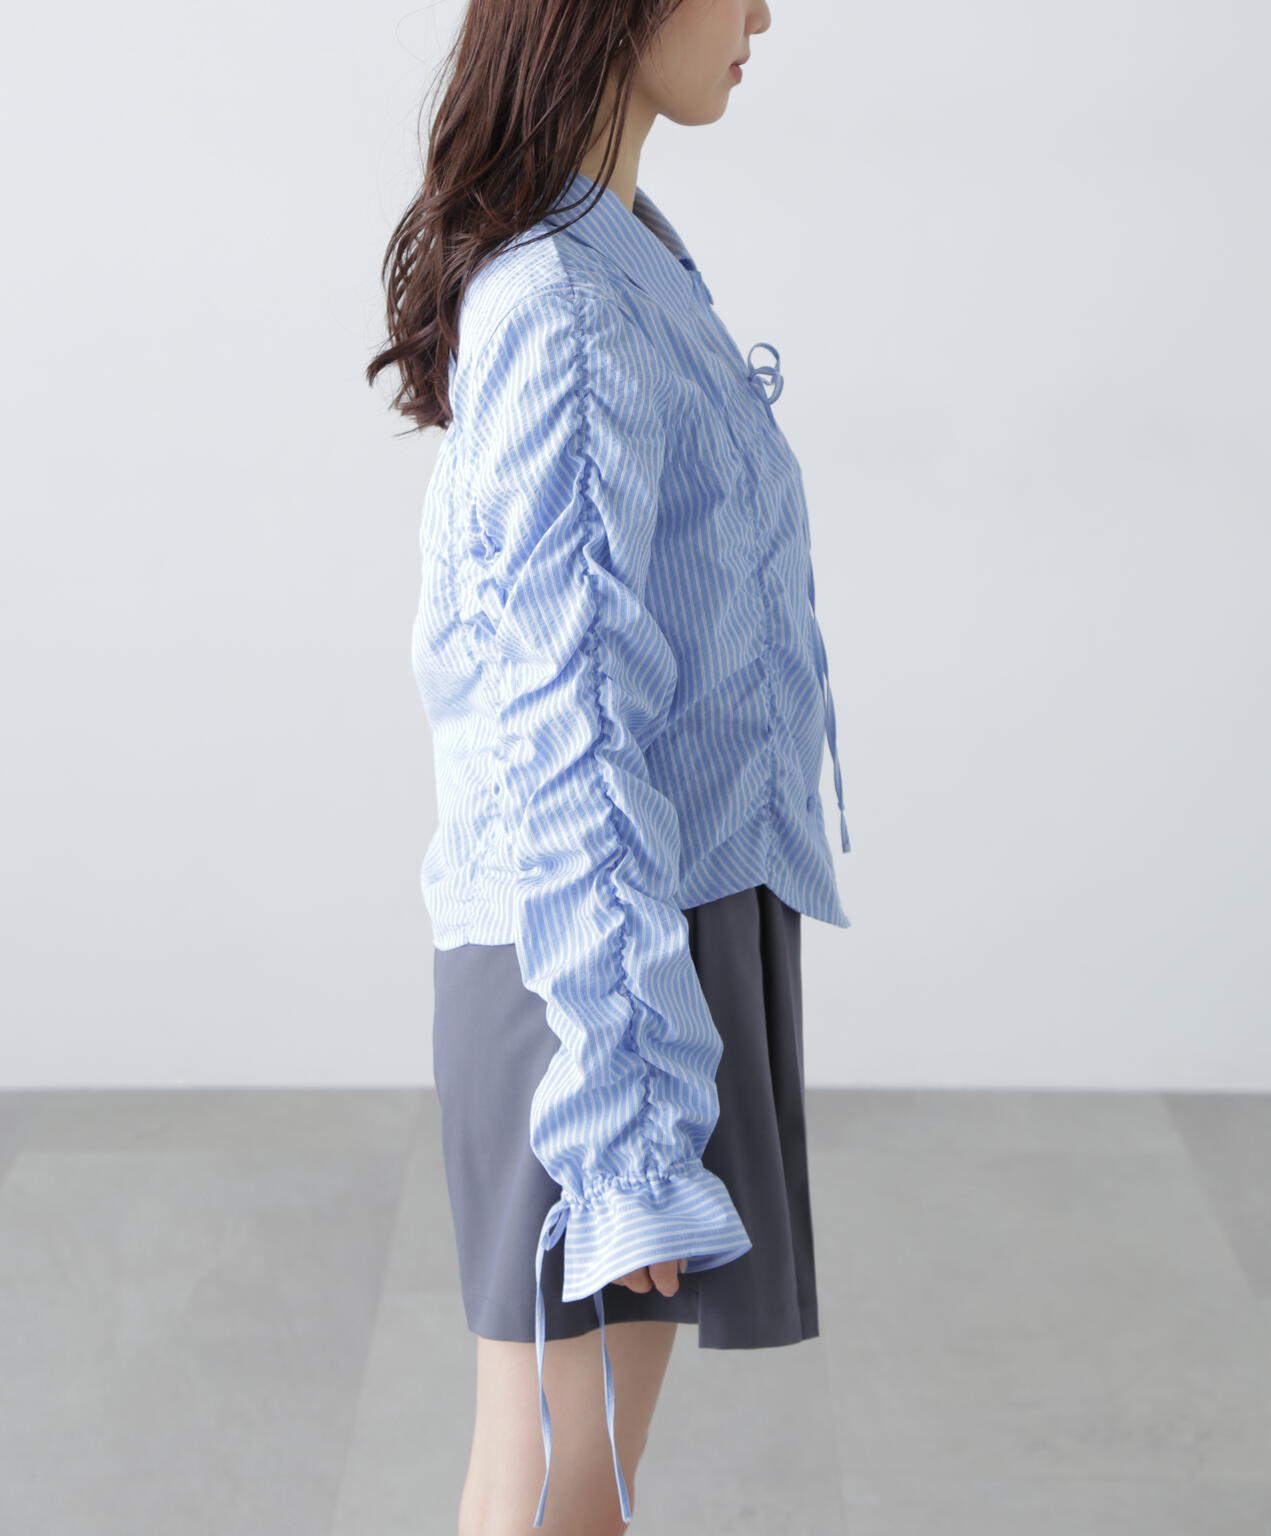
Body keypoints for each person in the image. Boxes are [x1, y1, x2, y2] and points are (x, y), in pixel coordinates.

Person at [366, 1, 851, 1529]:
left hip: (651, 942)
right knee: (554, 1493)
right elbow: (566, 731)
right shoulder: (567, 306)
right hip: (599, 979)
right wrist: (629, 1126)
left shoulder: (624, 259)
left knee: (571, 1489)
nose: (764, 11)